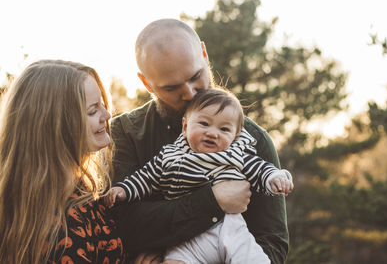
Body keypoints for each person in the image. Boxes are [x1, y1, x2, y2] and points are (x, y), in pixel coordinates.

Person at [111, 18, 289, 263]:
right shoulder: (126, 132)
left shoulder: (253, 139)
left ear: (204, 54)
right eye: (172, 88)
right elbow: (123, 227)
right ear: (146, 83)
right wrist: (213, 200)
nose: (191, 92)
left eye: (196, 76)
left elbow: (273, 244)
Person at [107, 88, 293, 263]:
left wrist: (274, 178)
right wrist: (124, 189)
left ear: (235, 136)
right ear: (185, 126)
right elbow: (145, 178)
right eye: (204, 124)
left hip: (230, 228)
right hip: (187, 237)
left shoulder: (236, 155)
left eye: (224, 129)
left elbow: (260, 169)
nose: (212, 133)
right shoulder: (170, 156)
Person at [0, 60, 125, 263]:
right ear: (56, 127)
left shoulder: (75, 188)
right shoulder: (63, 230)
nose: (107, 114)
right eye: (93, 110)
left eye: (102, 104)